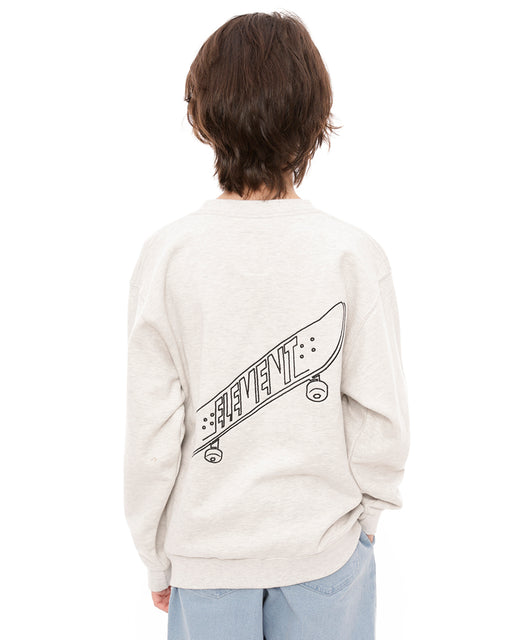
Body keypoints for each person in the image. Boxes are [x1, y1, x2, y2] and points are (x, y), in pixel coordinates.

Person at [123, 10, 410, 640]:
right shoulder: (352, 254)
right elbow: (381, 415)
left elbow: (151, 430)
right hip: (325, 550)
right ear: (316, 119)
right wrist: (367, 521)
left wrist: (155, 553)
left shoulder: (169, 255)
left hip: (207, 557)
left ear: (202, 117)